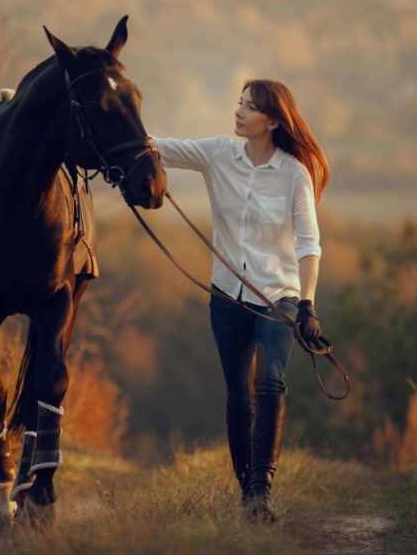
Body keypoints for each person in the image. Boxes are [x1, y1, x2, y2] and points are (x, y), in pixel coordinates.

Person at [153, 79, 328, 523]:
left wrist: (307, 303)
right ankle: (246, 492)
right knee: (238, 398)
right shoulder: (217, 154)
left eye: (248, 108)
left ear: (272, 120)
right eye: (239, 104)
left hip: (279, 297)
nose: (238, 112)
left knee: (269, 381)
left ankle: (261, 490)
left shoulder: (294, 173)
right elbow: (158, 147)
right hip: (227, 298)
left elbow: (309, 243)